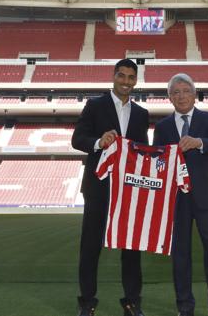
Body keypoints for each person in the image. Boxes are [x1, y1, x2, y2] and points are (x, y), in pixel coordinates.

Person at [71, 59, 149, 316]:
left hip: (129, 190)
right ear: (113, 76)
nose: (126, 82)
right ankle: (87, 302)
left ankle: (131, 301)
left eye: (131, 77)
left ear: (136, 80)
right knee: (91, 247)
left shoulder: (141, 114)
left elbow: (142, 154)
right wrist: (98, 142)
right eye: (122, 76)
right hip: (99, 188)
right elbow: (77, 139)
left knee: (132, 250)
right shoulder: (95, 105)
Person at [153, 73, 208, 316]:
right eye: (176, 92)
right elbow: (158, 160)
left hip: (206, 197)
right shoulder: (162, 127)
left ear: (194, 94)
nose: (181, 96)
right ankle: (184, 306)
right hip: (176, 200)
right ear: (169, 98)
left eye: (185, 91)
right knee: (180, 256)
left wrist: (198, 142)